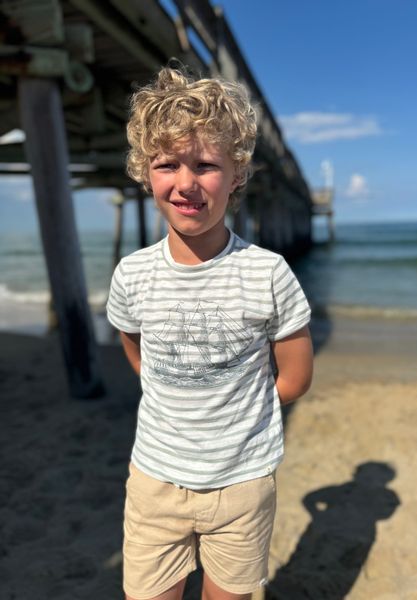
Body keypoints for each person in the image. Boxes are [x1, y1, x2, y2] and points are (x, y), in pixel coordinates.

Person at [107, 66, 314, 600]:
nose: (185, 182)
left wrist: (236, 413)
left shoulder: (267, 272)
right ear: (144, 172)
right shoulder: (132, 274)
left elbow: (293, 376)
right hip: (154, 479)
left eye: (205, 165)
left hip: (242, 483)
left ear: (237, 171)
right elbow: (136, 349)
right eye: (166, 164)